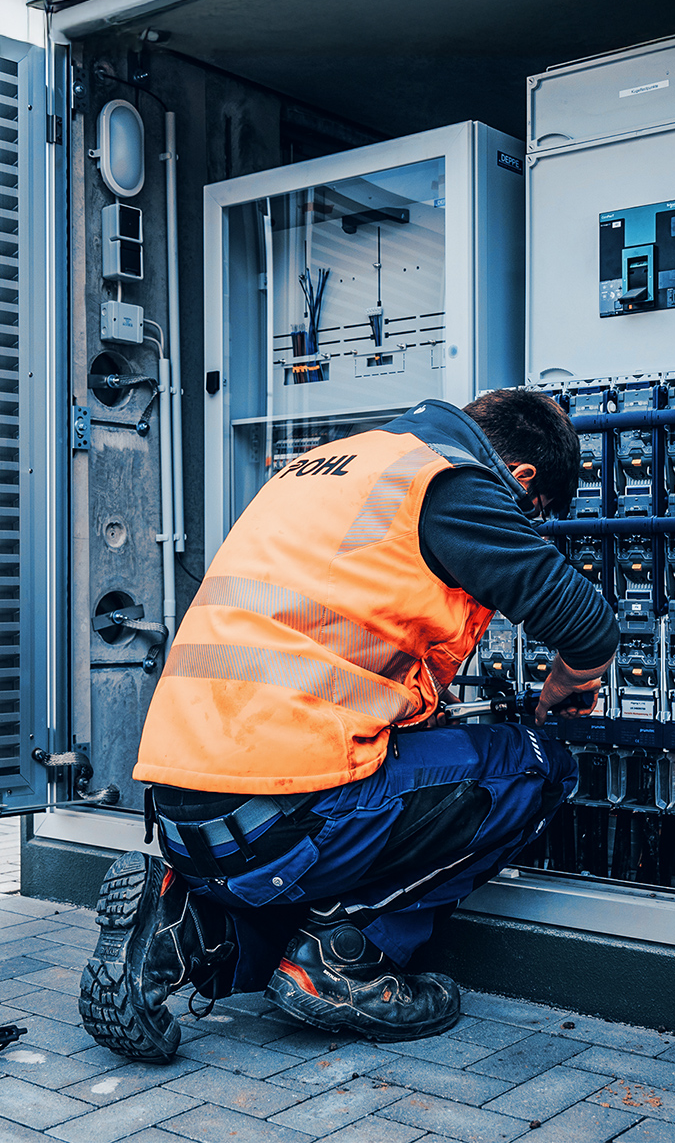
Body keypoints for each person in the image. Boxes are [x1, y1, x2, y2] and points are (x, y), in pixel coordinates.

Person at [78, 389, 615, 1063]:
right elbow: (587, 626)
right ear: (523, 480)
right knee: (536, 765)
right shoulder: (448, 485)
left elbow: (325, 643)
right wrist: (567, 686)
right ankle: (344, 959)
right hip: (281, 823)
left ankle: (178, 923)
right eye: (530, 518)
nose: (521, 526)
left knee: (346, 803)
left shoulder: (330, 463)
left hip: (188, 816)